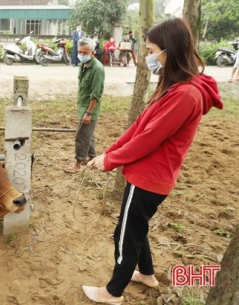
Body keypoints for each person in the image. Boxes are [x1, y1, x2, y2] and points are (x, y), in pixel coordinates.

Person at [82, 18, 223, 304]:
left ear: (169, 50)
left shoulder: (186, 94)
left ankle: (113, 291)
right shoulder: (171, 85)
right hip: (145, 174)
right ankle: (146, 273)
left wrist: (111, 160)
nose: (148, 56)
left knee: (124, 233)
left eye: (151, 50)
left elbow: (150, 139)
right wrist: (109, 152)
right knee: (136, 227)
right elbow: (140, 127)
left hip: (150, 177)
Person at [64, 37, 105, 174]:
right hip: (82, 105)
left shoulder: (97, 69)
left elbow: (96, 94)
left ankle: (78, 164)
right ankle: (93, 158)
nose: (81, 55)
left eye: (85, 52)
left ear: (93, 52)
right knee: (89, 134)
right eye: (80, 52)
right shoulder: (83, 65)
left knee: (81, 135)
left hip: (89, 109)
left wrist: (88, 113)